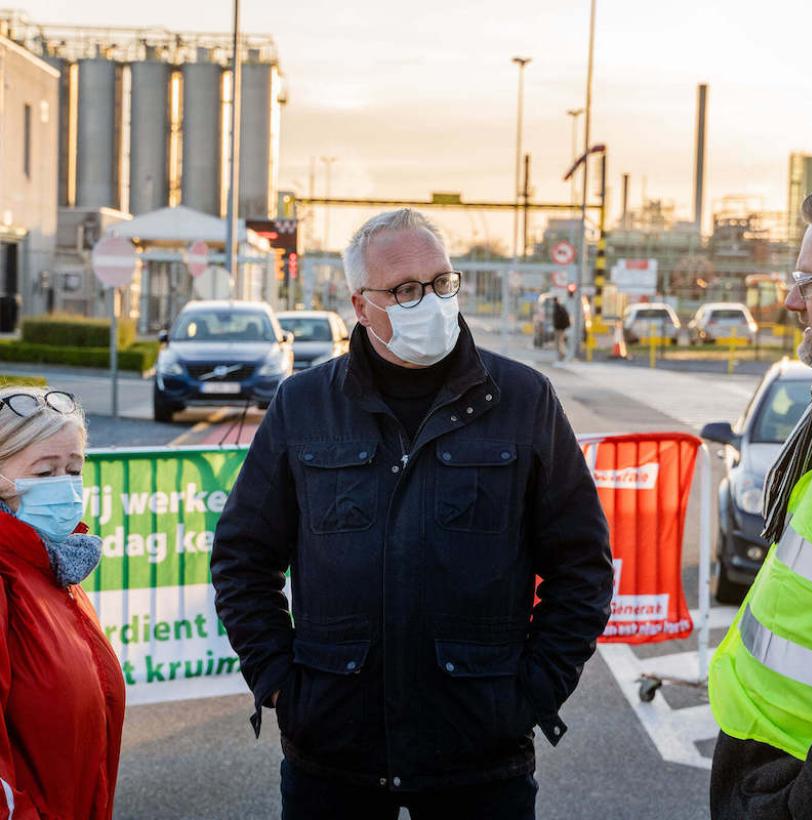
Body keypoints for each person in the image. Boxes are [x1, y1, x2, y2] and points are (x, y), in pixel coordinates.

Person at [212, 208, 612, 819]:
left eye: (440, 283)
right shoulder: (303, 405)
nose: (428, 301)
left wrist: (532, 692)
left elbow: (581, 565)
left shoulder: (523, 399)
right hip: (333, 756)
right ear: (360, 304)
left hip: (479, 759)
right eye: (404, 290)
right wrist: (280, 684)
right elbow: (243, 558)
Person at [709, 190, 812, 819]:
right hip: (769, 758)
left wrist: (791, 806)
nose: (790, 300)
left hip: (791, 779)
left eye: (808, 281)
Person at [0, 387, 125, 819]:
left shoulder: (55, 564)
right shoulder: (7, 573)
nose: (65, 487)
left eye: (73, 469)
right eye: (45, 471)